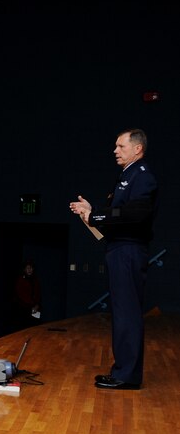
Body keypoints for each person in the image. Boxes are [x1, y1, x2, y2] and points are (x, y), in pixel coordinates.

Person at [69, 128, 158, 389]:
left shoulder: (142, 177)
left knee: (127, 314)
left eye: (120, 146)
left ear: (137, 149)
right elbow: (117, 218)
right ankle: (122, 370)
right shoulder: (127, 176)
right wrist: (91, 213)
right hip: (119, 249)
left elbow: (136, 213)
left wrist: (97, 216)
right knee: (121, 313)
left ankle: (126, 376)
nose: (115, 150)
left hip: (128, 251)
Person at [11, 262, 42, 330]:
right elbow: (21, 295)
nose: (29, 270)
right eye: (27, 268)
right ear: (24, 269)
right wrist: (32, 305)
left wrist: (37, 305)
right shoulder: (20, 280)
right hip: (23, 309)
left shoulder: (35, 280)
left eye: (31, 268)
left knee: (34, 328)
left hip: (34, 309)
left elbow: (38, 294)